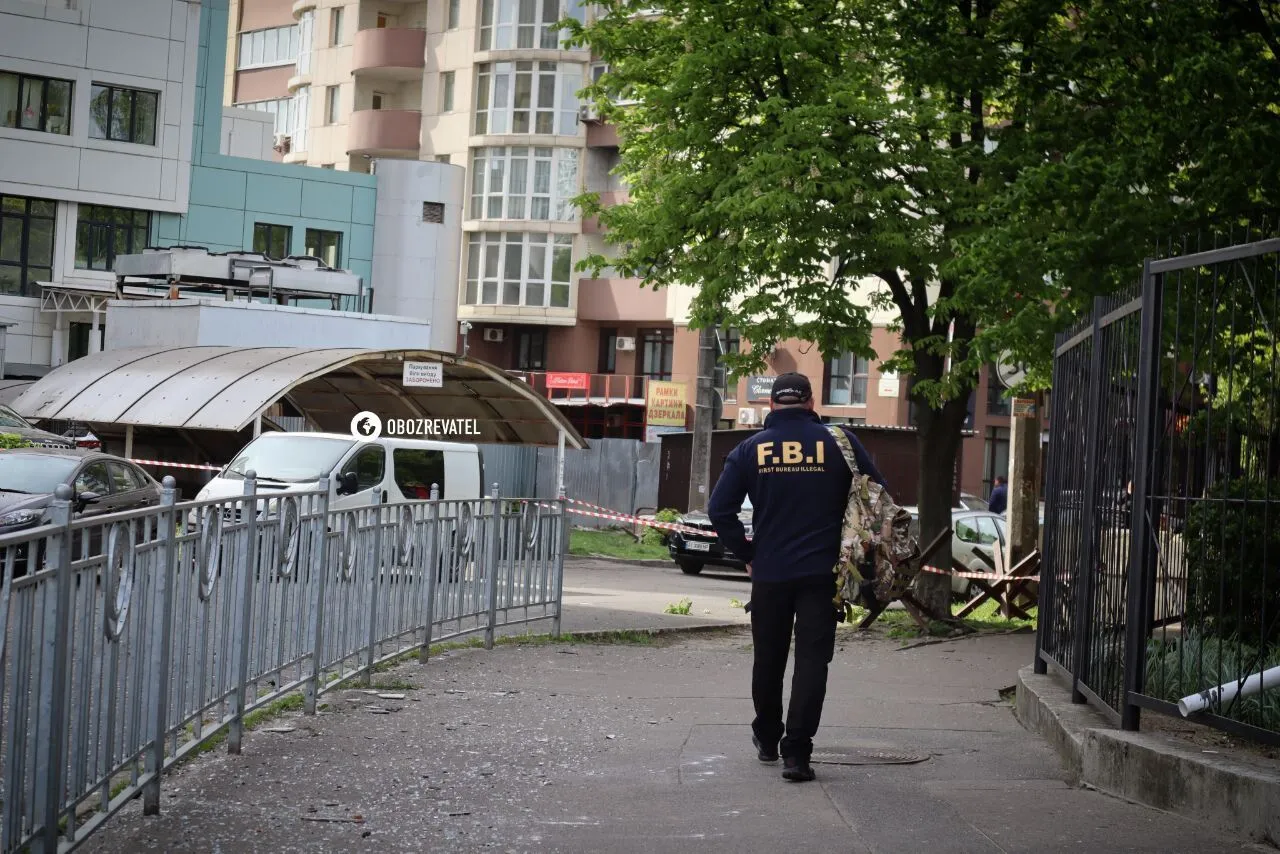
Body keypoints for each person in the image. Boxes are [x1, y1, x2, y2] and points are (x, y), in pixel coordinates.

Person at [707, 371, 887, 783]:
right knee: (811, 662)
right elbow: (878, 492)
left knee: (768, 658)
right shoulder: (840, 443)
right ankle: (797, 754)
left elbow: (720, 511)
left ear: (772, 404)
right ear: (810, 401)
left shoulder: (750, 449)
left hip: (770, 573)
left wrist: (748, 554)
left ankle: (768, 737)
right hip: (823, 575)